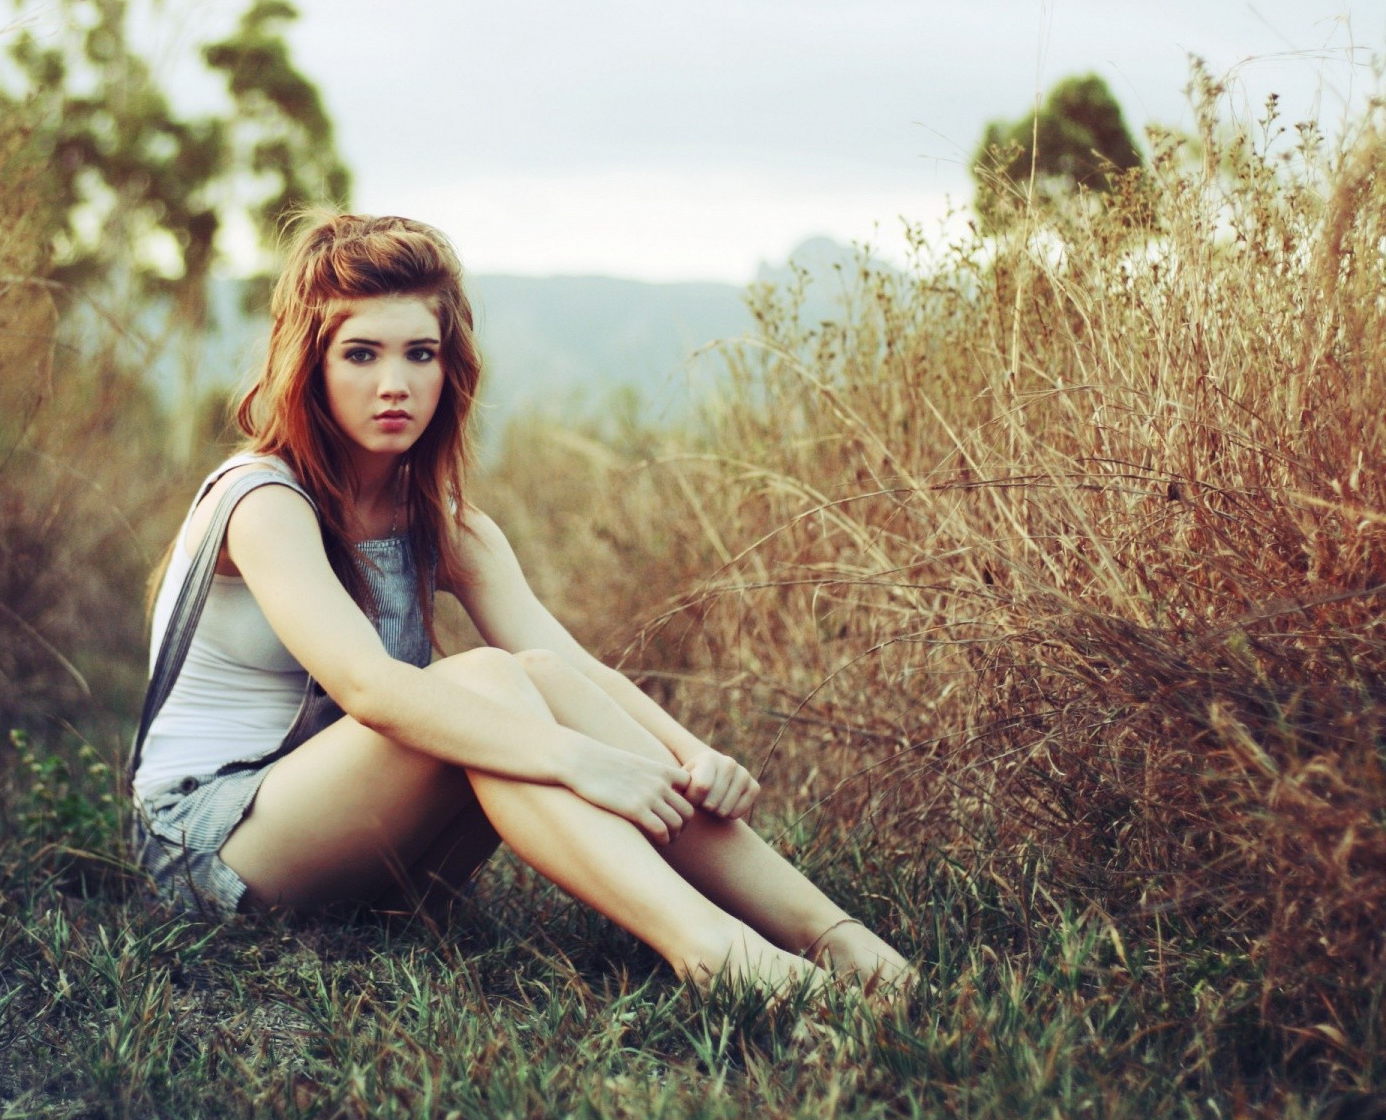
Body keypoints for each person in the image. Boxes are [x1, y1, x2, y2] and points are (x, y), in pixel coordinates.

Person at [129, 212, 912, 994]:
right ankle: (720, 957)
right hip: (212, 848)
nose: (394, 383)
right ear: (311, 365)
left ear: (449, 369)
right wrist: (579, 762)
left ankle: (839, 940)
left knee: (532, 671)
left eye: (420, 354)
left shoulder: (446, 521)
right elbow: (369, 688)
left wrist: (689, 757)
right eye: (360, 354)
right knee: (486, 681)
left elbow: (570, 667)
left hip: (366, 860)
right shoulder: (262, 500)